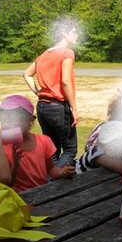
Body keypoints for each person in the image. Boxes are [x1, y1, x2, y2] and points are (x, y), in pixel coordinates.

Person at [23, 17, 79, 167]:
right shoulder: (67, 53)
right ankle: (55, 180)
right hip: (58, 107)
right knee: (70, 150)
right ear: (63, 32)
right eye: (74, 31)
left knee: (52, 150)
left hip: (42, 107)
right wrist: (74, 108)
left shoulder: (43, 55)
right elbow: (66, 82)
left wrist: (38, 92)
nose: (77, 35)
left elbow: (26, 74)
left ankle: (49, 182)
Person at [0, 94, 75, 193]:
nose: (8, 124)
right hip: (19, 198)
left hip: (42, 194)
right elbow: (6, 183)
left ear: (30, 120)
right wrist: (15, 166)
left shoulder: (43, 141)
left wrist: (62, 172)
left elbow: (51, 170)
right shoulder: (3, 148)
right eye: (4, 119)